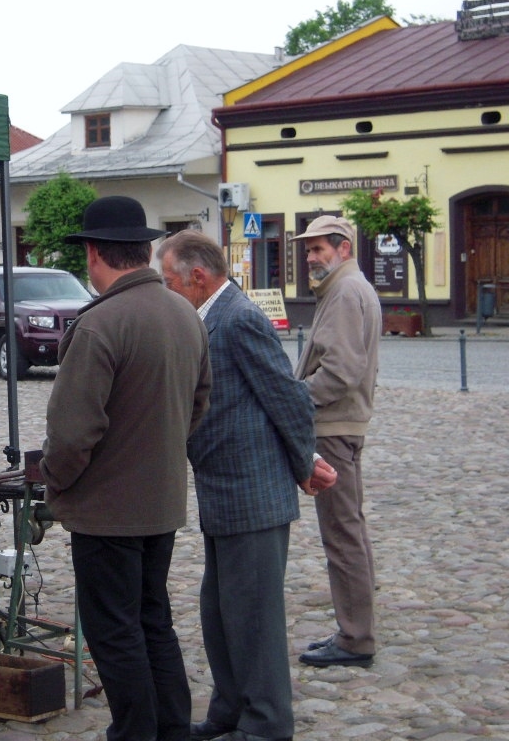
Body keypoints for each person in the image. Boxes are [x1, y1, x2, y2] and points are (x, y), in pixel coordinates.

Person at [40, 196, 212, 741]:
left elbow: (72, 434)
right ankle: (172, 730)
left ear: (94, 253)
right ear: (143, 250)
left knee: (115, 632)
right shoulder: (185, 314)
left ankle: (136, 732)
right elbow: (198, 403)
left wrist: (55, 481)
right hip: (161, 501)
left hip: (107, 510)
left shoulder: (100, 324)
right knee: (152, 621)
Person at [157, 230, 336, 741]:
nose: (166, 291)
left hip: (252, 493)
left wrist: (304, 463)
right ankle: (229, 712)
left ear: (197, 276)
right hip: (224, 493)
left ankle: (266, 724)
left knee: (254, 619)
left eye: (169, 281)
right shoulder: (209, 317)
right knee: (220, 613)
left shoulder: (239, 319)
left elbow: (288, 398)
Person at [291, 214, 382, 669]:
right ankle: (356, 628)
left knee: (343, 535)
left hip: (333, 428)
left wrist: (292, 400)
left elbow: (340, 372)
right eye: (308, 250)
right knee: (351, 530)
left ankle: (355, 638)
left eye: (318, 249)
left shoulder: (345, 291)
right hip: (342, 424)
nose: (310, 257)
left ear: (343, 248)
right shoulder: (347, 287)